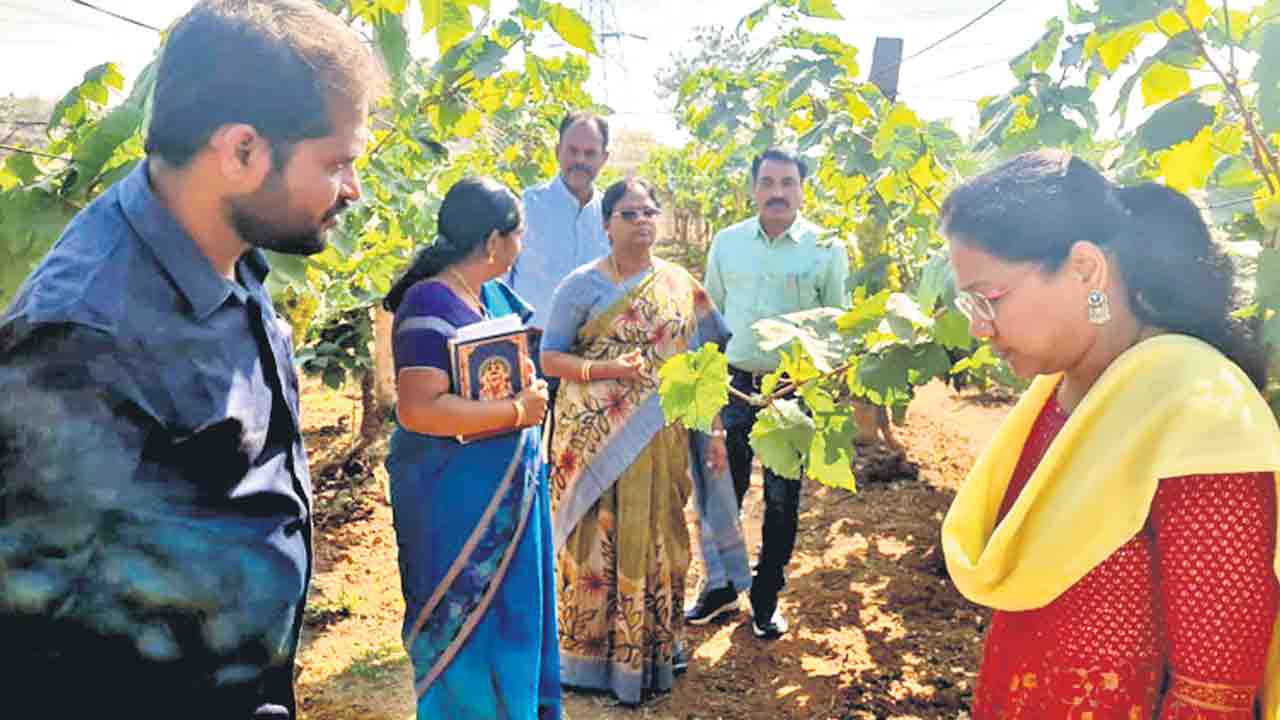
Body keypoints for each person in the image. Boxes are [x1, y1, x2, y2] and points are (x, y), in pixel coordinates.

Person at [0, 2, 384, 717]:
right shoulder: (85, 336)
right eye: (337, 163)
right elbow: (27, 643)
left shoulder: (228, 260)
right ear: (241, 151)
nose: (353, 191)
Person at [939, 150, 1280, 719]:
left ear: (1085, 270)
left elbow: (1212, 699)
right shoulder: (1063, 392)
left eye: (989, 298)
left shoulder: (1199, 415)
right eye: (968, 302)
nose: (977, 327)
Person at [541, 177, 731, 705]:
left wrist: (713, 430)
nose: (643, 220)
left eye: (650, 211)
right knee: (595, 542)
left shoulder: (680, 284)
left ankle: (654, 651)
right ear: (606, 224)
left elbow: (705, 364)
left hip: (661, 440)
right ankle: (589, 659)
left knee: (659, 541)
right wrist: (604, 369)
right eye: (629, 213)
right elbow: (549, 357)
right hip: (594, 438)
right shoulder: (581, 286)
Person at [382, 178, 559, 719]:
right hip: (455, 505)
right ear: (491, 242)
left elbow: (510, 375)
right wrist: (515, 413)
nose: (521, 245)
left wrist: (530, 393)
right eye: (518, 234)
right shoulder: (427, 304)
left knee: (513, 619)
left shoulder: (489, 297)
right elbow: (418, 408)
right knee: (464, 633)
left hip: (510, 498)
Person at [694, 148, 850, 638]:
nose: (778, 192)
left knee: (783, 499)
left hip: (792, 386)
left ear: (803, 189)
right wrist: (710, 382)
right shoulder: (727, 242)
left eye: (788, 183)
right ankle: (720, 588)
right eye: (768, 182)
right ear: (754, 188)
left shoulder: (827, 247)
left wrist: (808, 379)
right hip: (735, 385)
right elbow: (709, 314)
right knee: (725, 492)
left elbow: (836, 322)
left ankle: (766, 596)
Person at [507, 111, 612, 333]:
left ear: (604, 158)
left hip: (590, 350)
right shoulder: (525, 206)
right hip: (532, 345)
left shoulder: (611, 216)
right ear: (557, 152)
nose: (580, 160)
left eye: (590, 153)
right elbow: (499, 279)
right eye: (572, 151)